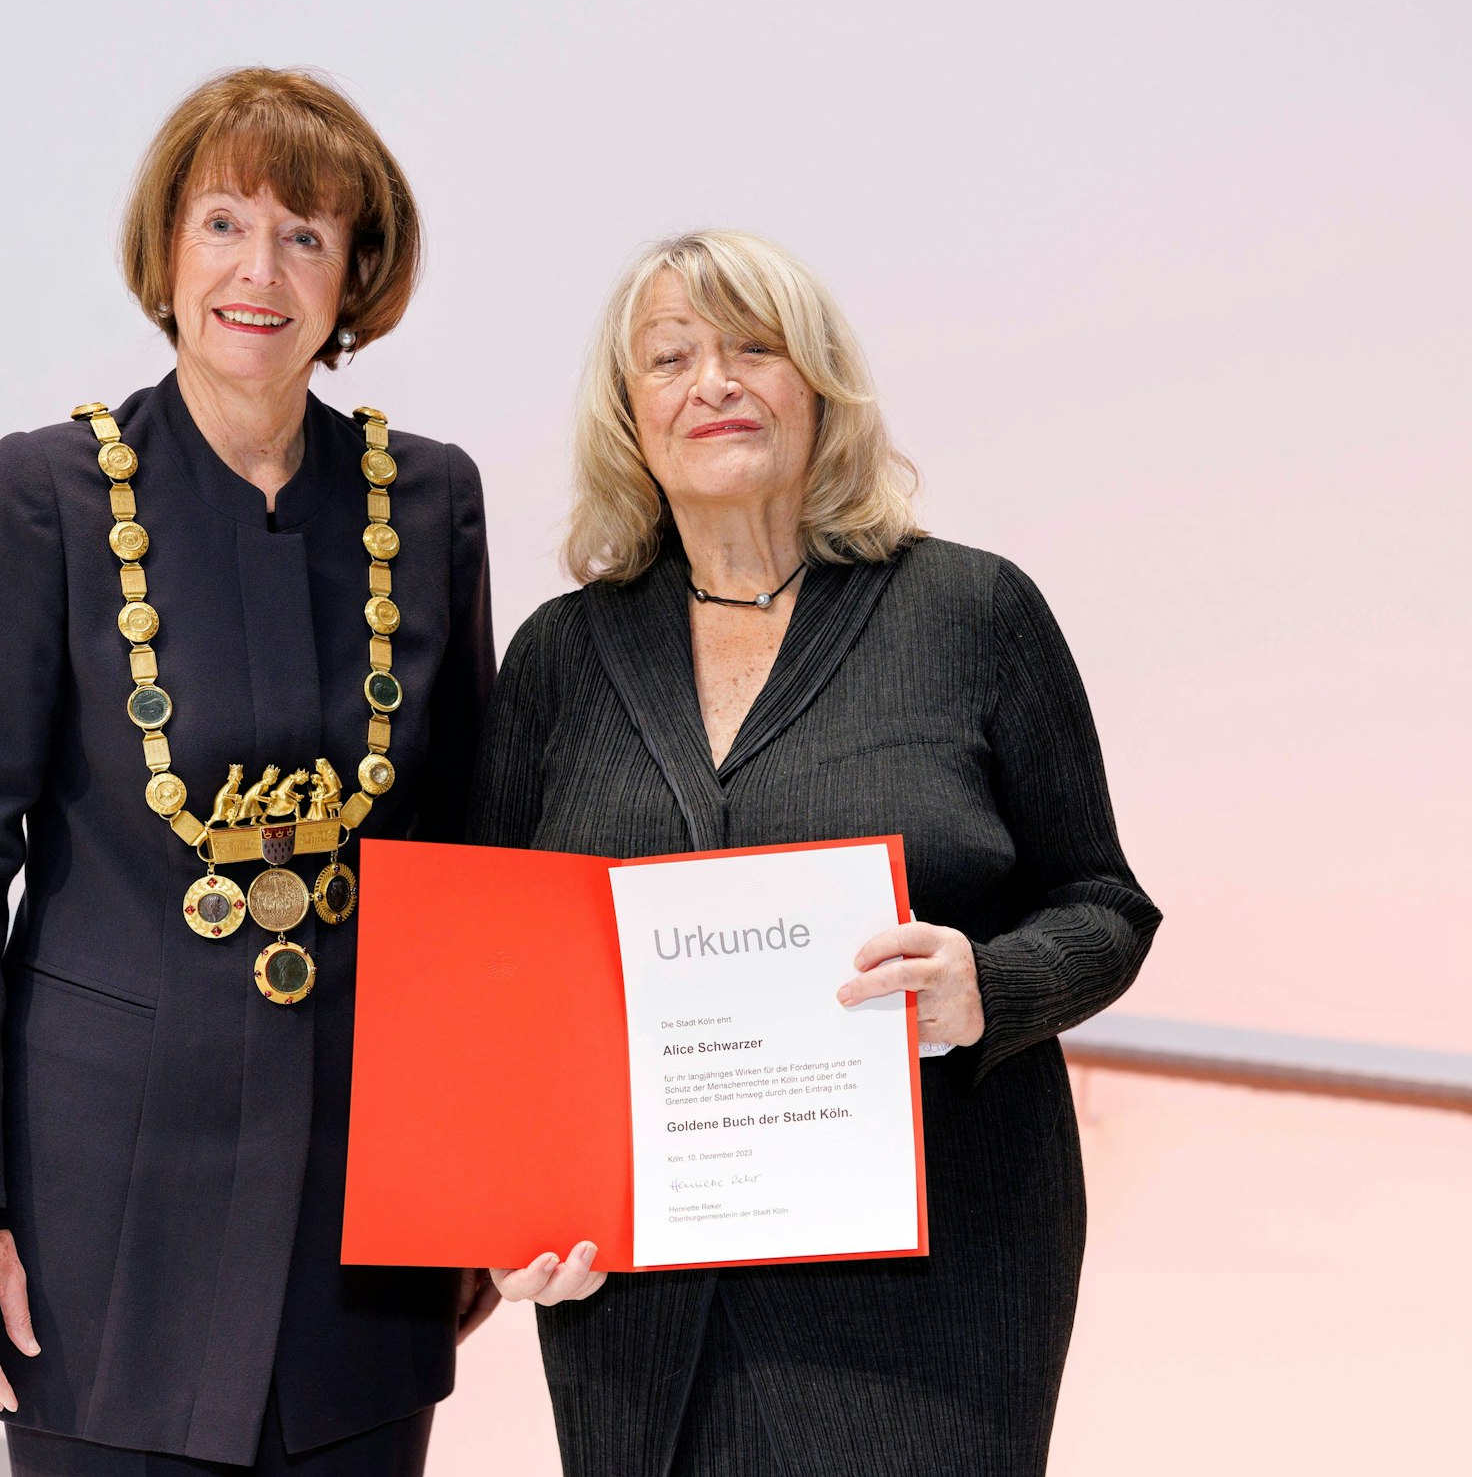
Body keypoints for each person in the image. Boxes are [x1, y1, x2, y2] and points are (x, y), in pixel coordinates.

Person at [0, 68, 497, 1476]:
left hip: (361, 1208)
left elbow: (466, 859)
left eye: (305, 234)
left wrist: (476, 1176)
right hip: (99, 1207)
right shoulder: (45, 494)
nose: (258, 271)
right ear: (167, 253)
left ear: (357, 275)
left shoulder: (434, 499)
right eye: (223, 223)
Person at [473, 230, 1160, 1476]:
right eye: (670, 357)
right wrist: (507, 1205)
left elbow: (1103, 904)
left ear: (819, 387)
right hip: (639, 1301)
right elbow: (487, 977)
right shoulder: (556, 661)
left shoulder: (971, 612)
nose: (712, 382)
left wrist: (981, 988)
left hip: (930, 1287)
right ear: (629, 417)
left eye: (753, 348)